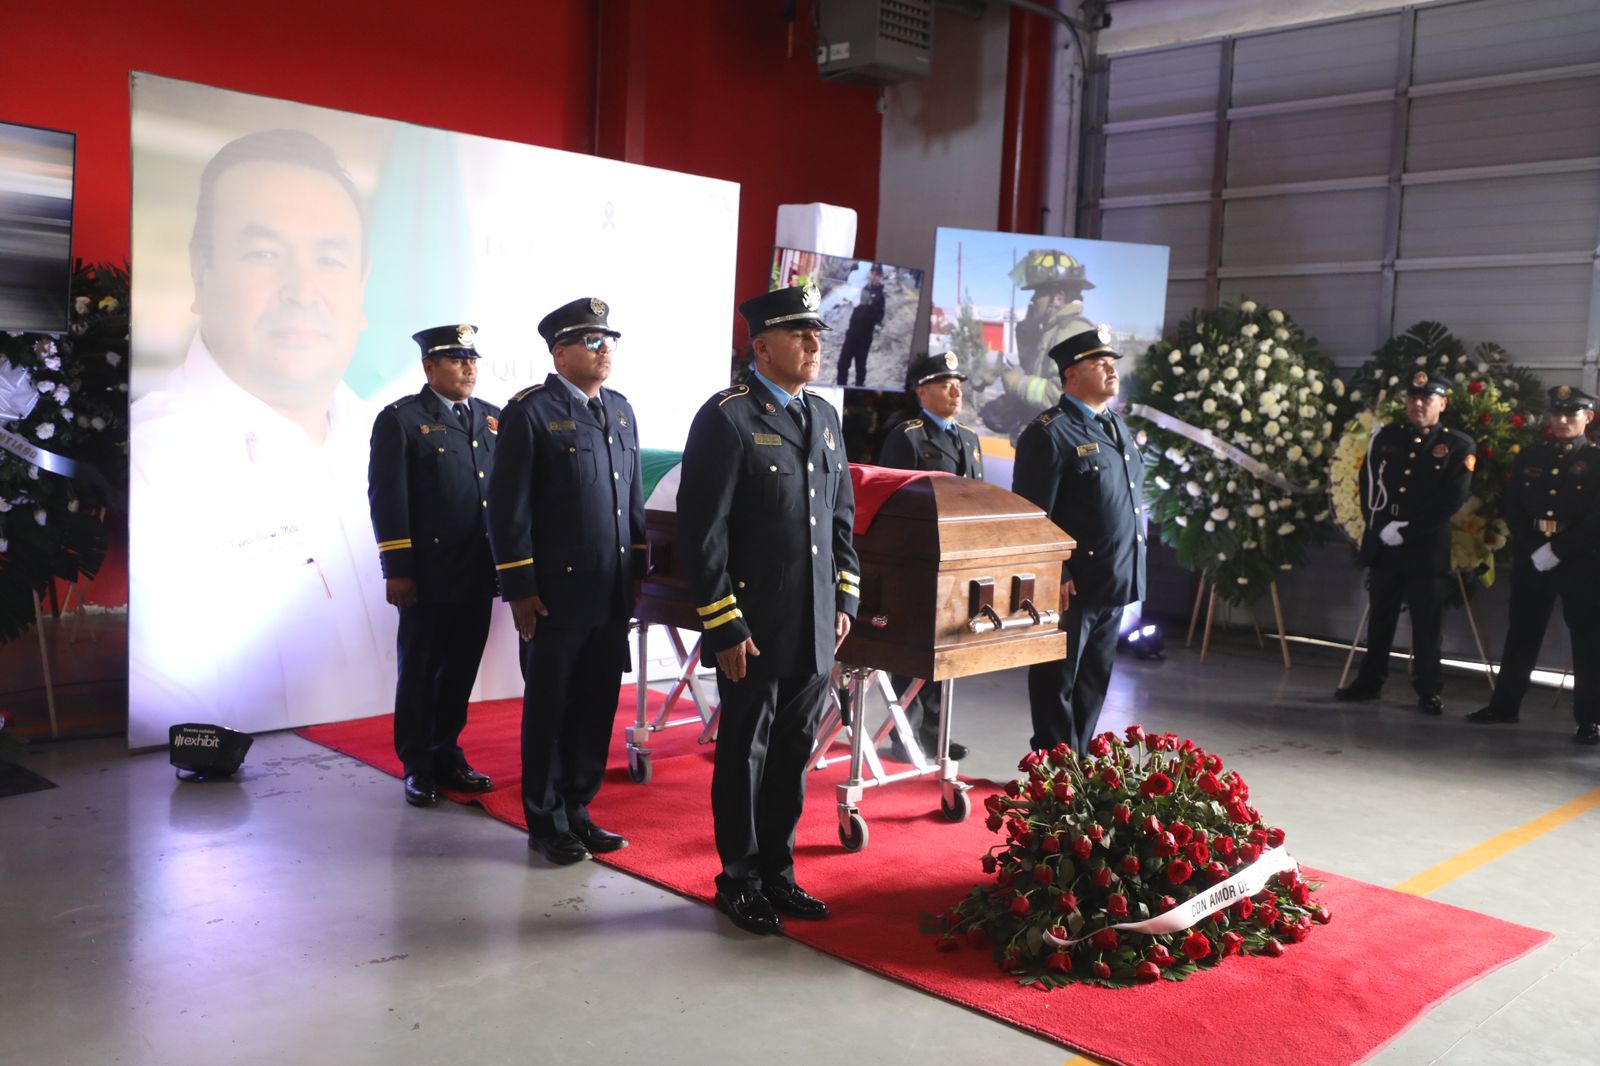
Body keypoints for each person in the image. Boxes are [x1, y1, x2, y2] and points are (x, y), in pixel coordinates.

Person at [128, 129, 392, 746]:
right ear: (201, 273)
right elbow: (167, 723)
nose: (302, 289)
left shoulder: (395, 442)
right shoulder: (159, 461)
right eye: (266, 254)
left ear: (361, 286)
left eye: (329, 258)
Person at [677, 283, 860, 935]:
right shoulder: (728, 417)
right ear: (762, 346)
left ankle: (779, 872)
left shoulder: (824, 417)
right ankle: (739, 877)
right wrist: (722, 622)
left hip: (814, 621)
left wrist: (845, 597)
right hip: (751, 626)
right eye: (800, 334)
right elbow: (703, 533)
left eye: (817, 334)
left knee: (794, 749)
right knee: (745, 750)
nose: (815, 344)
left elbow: (841, 517)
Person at [487, 297, 644, 864]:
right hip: (553, 597)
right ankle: (546, 819)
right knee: (551, 708)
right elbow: (508, 512)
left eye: (610, 341)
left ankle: (579, 808)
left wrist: (636, 579)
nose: (605, 351)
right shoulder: (531, 412)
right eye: (592, 342)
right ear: (560, 352)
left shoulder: (621, 411)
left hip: (608, 593)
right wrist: (520, 589)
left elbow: (632, 507)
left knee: (596, 706)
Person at [367, 324, 499, 808]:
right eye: (456, 359)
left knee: (461, 668)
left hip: (478, 570)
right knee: (422, 669)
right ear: (429, 367)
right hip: (426, 574)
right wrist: (397, 568)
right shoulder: (401, 420)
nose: (468, 368)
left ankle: (447, 753)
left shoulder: (492, 419)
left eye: (472, 359)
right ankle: (418, 764)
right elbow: (387, 498)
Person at [1012, 325, 1145, 757]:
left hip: (1112, 577)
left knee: (1093, 678)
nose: (1111, 369)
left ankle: (1081, 761)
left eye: (1112, 363)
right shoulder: (1050, 432)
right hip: (1071, 586)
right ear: (1071, 375)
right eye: (1098, 363)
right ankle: (1052, 766)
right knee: (1058, 678)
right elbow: (1032, 514)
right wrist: (1056, 572)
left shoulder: (1116, 428)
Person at [1335, 372, 1476, 714]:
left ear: (1442, 404)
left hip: (1424, 548)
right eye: (1413, 398)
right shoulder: (1387, 437)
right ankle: (1370, 681)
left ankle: (1428, 689)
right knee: (1380, 616)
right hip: (1385, 543)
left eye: (1426, 399)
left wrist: (1407, 529)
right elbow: (1367, 484)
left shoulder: (1458, 446)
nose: (1417, 405)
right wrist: (1379, 526)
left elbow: (1452, 498)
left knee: (1427, 623)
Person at [1467, 386, 1600, 745]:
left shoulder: (1597, 461)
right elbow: (1514, 506)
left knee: (1587, 641)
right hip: (1534, 557)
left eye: (1571, 414)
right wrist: (1534, 547)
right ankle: (1505, 706)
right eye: (1557, 414)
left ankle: (1591, 720)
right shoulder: (1531, 456)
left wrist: (1558, 549)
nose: (1562, 421)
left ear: (1588, 418)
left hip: (1579, 562)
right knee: (1522, 633)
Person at [876, 350, 984, 763]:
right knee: (911, 653)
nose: (955, 391)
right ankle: (904, 735)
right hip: (917, 562)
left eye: (958, 383)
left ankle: (935, 733)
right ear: (922, 391)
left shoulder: (969, 439)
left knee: (946, 649)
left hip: (958, 562)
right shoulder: (908, 436)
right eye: (944, 383)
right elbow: (892, 499)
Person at [979, 249, 1095, 440]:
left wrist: (1018, 383)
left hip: (1059, 448)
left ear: (1058, 298)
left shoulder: (1072, 332)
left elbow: (1059, 395)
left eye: (1039, 292)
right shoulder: (1054, 331)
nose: (1033, 299)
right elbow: (1039, 378)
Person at [835, 265, 885, 387]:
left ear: (880, 277)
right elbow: (852, 305)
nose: (874, 277)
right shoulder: (862, 289)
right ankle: (841, 387)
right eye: (873, 273)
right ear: (870, 274)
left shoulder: (880, 296)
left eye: (877, 275)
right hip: (852, 333)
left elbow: (880, 317)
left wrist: (870, 308)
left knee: (860, 366)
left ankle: (858, 389)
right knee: (842, 364)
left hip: (865, 336)